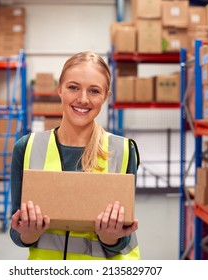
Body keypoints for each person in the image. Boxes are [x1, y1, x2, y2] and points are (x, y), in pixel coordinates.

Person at [10, 51, 140, 260]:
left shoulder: (123, 151)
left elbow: (124, 238)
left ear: (106, 96)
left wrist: (110, 237)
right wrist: (28, 233)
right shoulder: (27, 147)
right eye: (73, 87)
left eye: (94, 91)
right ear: (59, 89)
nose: (83, 99)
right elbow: (17, 231)